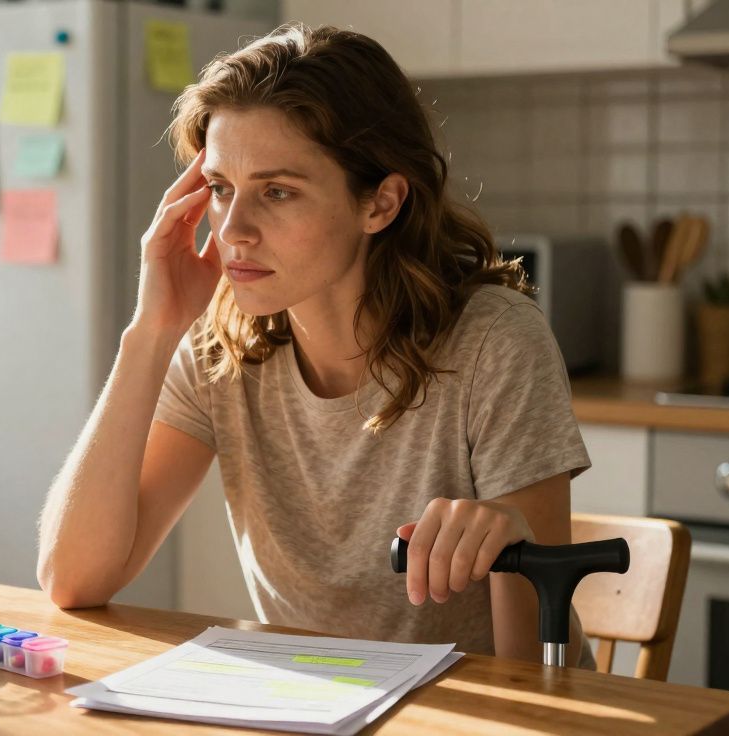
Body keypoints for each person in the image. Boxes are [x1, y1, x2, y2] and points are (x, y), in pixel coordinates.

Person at [36, 23, 594, 667]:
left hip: (469, 708)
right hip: (314, 701)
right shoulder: (222, 344)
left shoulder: (495, 342)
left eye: (277, 192)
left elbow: (532, 679)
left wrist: (513, 552)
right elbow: (73, 581)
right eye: (220, 188)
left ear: (380, 203)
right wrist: (151, 330)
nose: (233, 229)